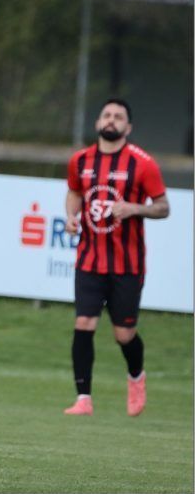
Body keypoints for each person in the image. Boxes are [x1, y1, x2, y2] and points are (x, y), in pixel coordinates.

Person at [63, 98, 169, 417]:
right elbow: (74, 193)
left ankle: (136, 376)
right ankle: (84, 398)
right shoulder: (80, 160)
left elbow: (163, 206)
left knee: (124, 334)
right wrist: (71, 216)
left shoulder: (143, 163)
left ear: (128, 127)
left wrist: (136, 208)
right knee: (84, 322)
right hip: (89, 260)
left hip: (127, 264)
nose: (111, 120)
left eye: (118, 117)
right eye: (106, 115)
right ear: (98, 123)